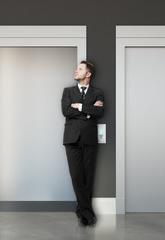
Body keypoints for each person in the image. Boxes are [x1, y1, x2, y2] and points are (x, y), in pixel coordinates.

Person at [61, 61, 105, 226]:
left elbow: (99, 112)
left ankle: (82, 214)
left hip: (89, 139)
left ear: (88, 74)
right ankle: (88, 213)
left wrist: (79, 106)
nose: (76, 70)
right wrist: (87, 112)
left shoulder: (98, 93)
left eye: (80, 69)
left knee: (88, 177)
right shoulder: (68, 91)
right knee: (76, 176)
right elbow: (66, 111)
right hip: (71, 139)